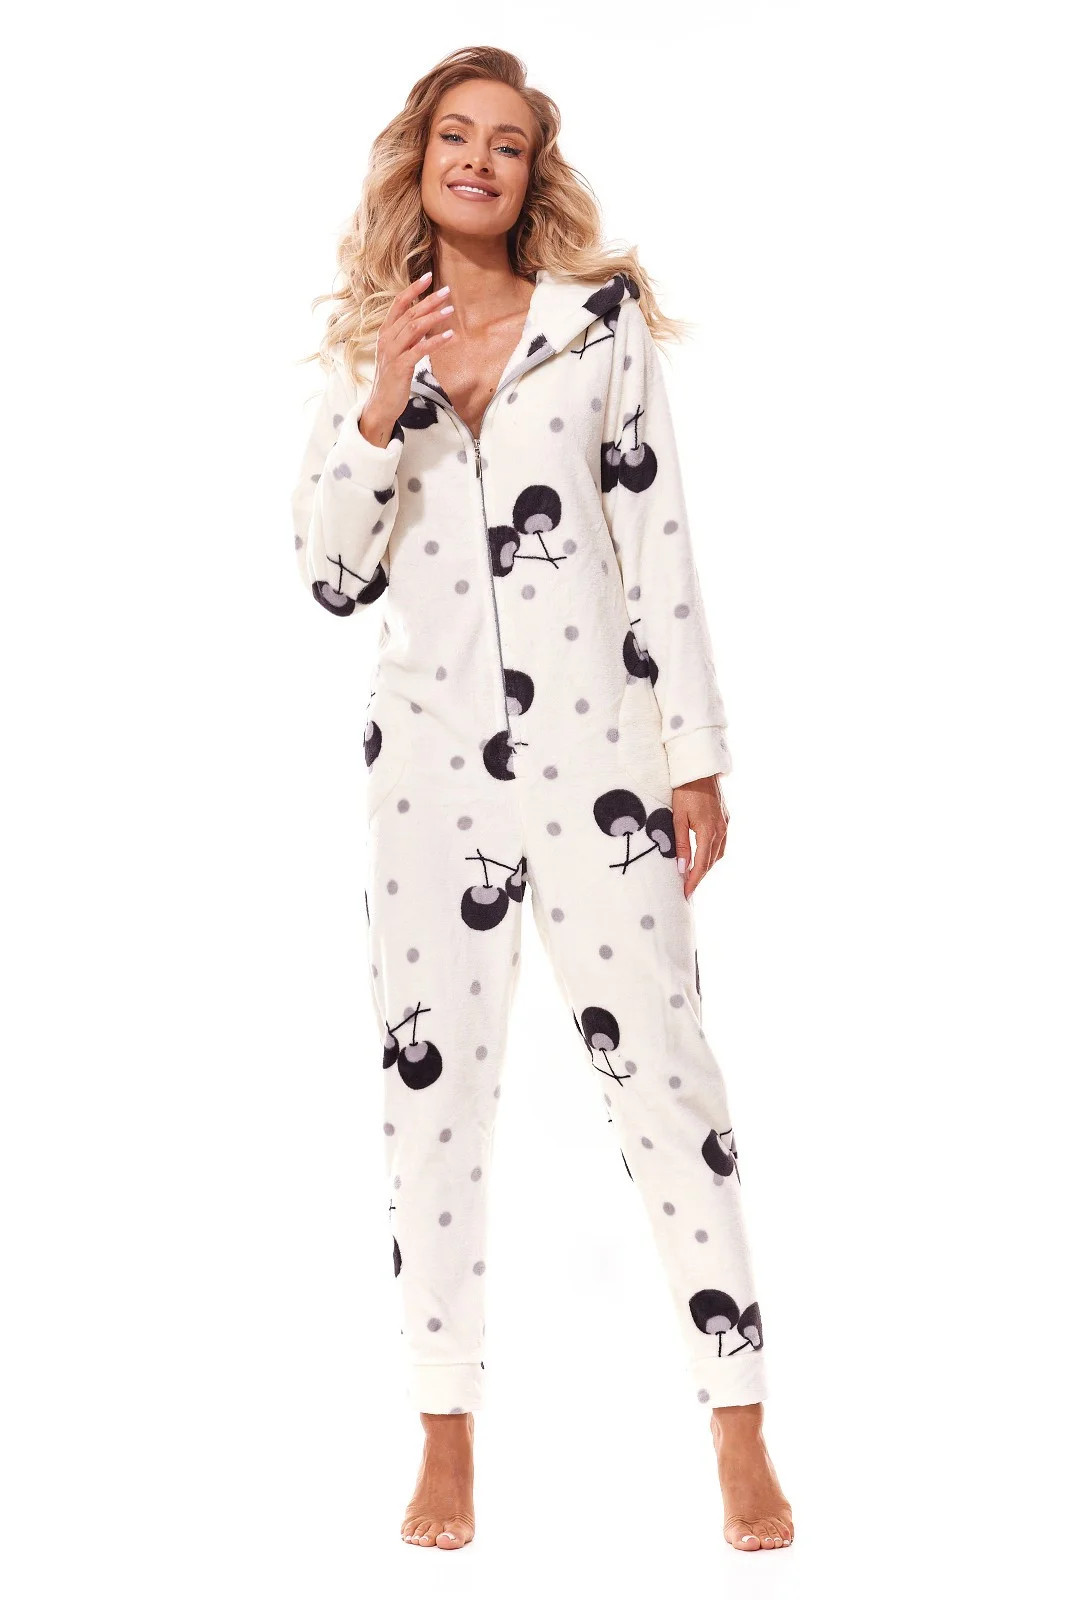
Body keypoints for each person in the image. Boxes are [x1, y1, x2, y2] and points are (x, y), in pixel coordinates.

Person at [291, 45, 793, 1554]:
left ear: (530, 173)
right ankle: (444, 1440)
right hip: (429, 777)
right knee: (431, 1103)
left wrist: (694, 750)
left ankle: (740, 1422)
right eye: (456, 135)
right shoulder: (364, 347)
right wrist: (381, 403)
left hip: (601, 766)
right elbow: (328, 576)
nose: (478, 160)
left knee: (668, 1077)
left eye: (505, 143)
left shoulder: (597, 328)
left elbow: (660, 540)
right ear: (419, 158)